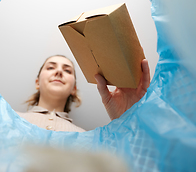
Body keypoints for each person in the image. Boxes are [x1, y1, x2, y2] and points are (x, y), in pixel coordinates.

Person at [17, 55, 150, 132]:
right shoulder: (7, 117)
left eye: (68, 71)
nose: (58, 72)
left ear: (74, 89)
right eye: (51, 67)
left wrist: (127, 120)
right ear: (37, 83)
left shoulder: (86, 138)